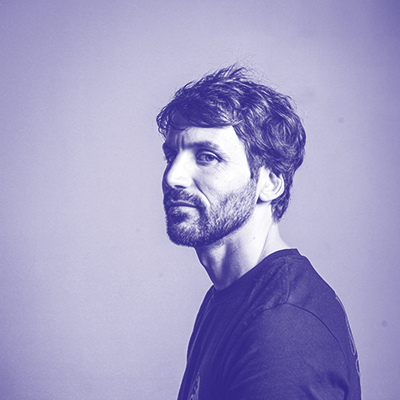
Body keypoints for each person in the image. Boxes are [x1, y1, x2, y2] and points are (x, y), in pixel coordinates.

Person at [157, 65, 361, 400]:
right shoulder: (231, 294)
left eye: (207, 157)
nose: (173, 177)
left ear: (270, 183)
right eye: (171, 155)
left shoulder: (284, 326)